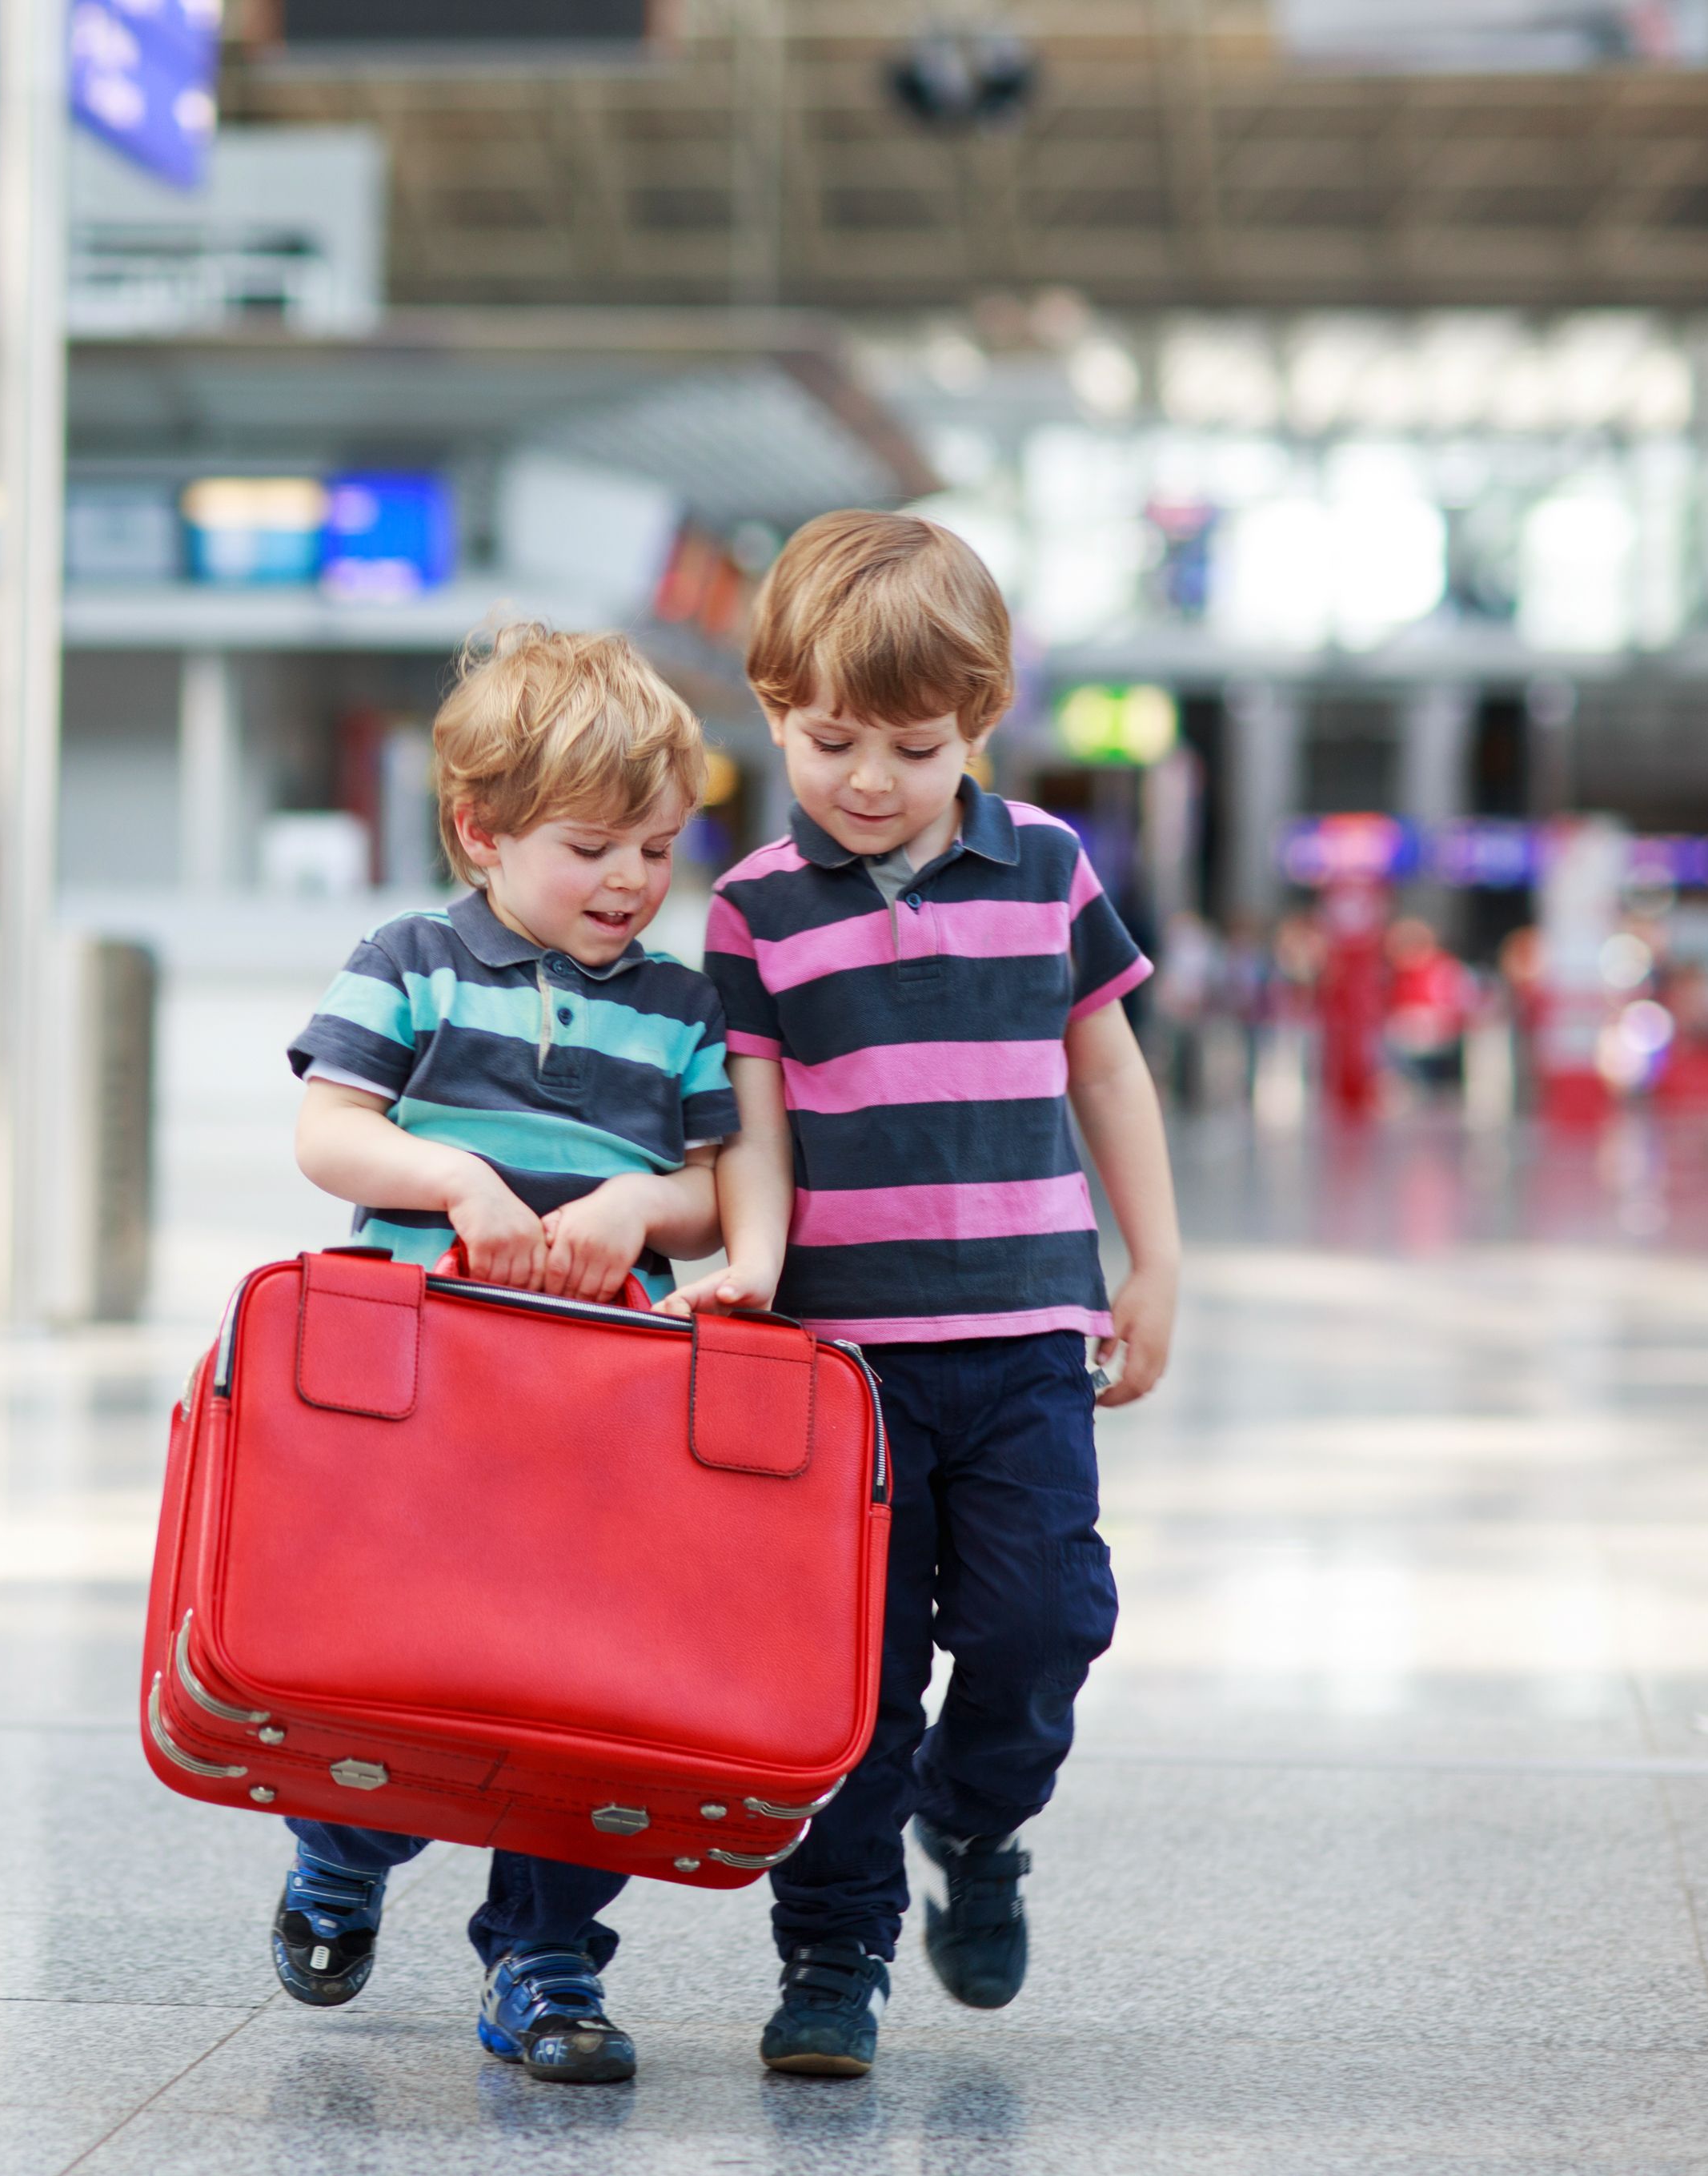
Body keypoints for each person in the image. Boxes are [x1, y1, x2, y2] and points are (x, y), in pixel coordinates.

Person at [679, 509, 1179, 2078]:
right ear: (769, 711)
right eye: (830, 741)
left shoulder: (1044, 868)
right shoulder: (752, 909)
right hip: (840, 1368)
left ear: (981, 720)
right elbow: (748, 1113)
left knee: (1047, 1620)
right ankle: (831, 1960)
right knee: (852, 1683)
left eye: (914, 742)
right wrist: (745, 1269)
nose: (872, 780)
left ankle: (976, 1826)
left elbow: (1102, 1062)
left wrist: (1151, 1259)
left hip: (1027, 1337)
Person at [270, 624, 737, 2086]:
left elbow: (721, 1186)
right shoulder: (409, 961)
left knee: (581, 1699)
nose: (627, 881)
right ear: (479, 832)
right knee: (405, 1665)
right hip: (425, 1407)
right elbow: (326, 1130)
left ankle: (546, 1956)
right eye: (590, 845)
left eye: (656, 848)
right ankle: (344, 1846)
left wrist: (637, 1205)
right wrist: (457, 1179)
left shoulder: (676, 1006)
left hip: (602, 1415)